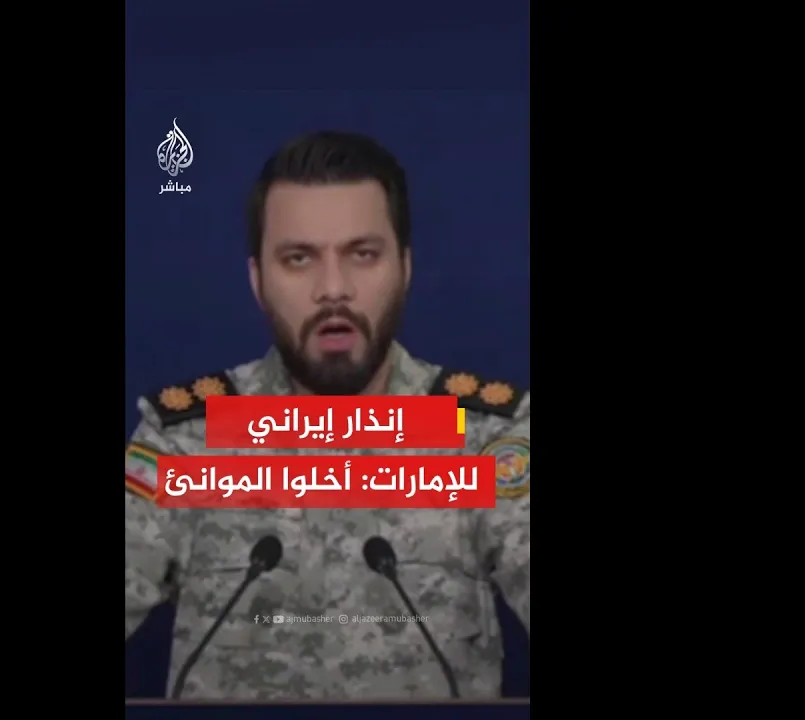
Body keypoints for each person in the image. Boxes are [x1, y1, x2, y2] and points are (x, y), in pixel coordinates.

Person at [124, 131, 530, 699]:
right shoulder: (188, 439)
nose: (333, 289)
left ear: (405, 267)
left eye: (363, 255)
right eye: (299, 259)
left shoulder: (484, 434)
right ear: (258, 281)